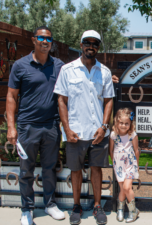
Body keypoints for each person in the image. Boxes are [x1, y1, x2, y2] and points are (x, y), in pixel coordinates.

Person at [54, 30, 115, 225]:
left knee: (96, 169)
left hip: (98, 132)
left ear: (98, 47)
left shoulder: (104, 72)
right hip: (75, 132)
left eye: (95, 43)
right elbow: (61, 101)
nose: (91, 46)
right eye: (87, 43)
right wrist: (67, 128)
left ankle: (97, 206)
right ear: (81, 45)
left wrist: (104, 126)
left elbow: (108, 101)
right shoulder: (67, 70)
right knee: (76, 169)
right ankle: (76, 206)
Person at [6, 26, 66, 225]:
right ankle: (27, 210)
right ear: (33, 40)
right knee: (26, 171)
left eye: (48, 38)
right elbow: (11, 96)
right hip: (27, 127)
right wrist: (11, 127)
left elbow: (78, 79)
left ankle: (49, 205)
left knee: (49, 168)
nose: (45, 41)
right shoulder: (20, 65)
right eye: (41, 37)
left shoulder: (58, 65)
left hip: (50, 126)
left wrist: (110, 78)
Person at [109, 108, 140, 223]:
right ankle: (120, 209)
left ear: (130, 124)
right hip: (119, 165)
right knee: (122, 189)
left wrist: (136, 165)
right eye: (121, 123)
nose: (123, 125)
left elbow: (136, 150)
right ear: (117, 122)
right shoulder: (113, 135)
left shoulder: (132, 135)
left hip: (130, 164)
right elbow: (111, 151)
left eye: (126, 123)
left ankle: (133, 211)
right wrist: (114, 163)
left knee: (127, 187)